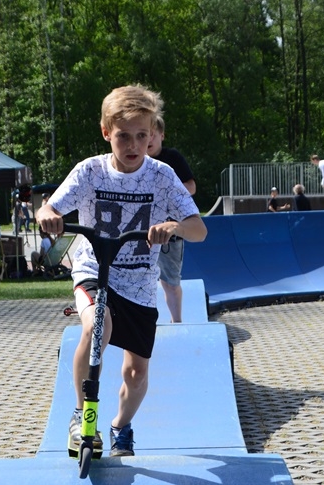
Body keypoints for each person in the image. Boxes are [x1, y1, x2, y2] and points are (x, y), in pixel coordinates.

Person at [37, 84, 207, 458]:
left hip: (140, 284)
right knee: (98, 324)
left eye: (142, 136)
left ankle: (121, 426)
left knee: (136, 372)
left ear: (153, 134)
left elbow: (199, 230)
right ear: (106, 132)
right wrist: (48, 216)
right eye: (123, 136)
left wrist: (174, 226)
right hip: (94, 270)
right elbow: (48, 209)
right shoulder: (90, 172)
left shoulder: (162, 176)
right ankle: (81, 416)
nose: (133, 145)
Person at [146, 114, 196, 323]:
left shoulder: (172, 158)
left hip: (169, 235)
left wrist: (167, 192)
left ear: (162, 136)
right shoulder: (135, 160)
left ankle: (177, 320)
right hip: (142, 231)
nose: (148, 140)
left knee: (170, 282)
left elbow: (191, 187)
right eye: (144, 135)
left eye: (152, 135)